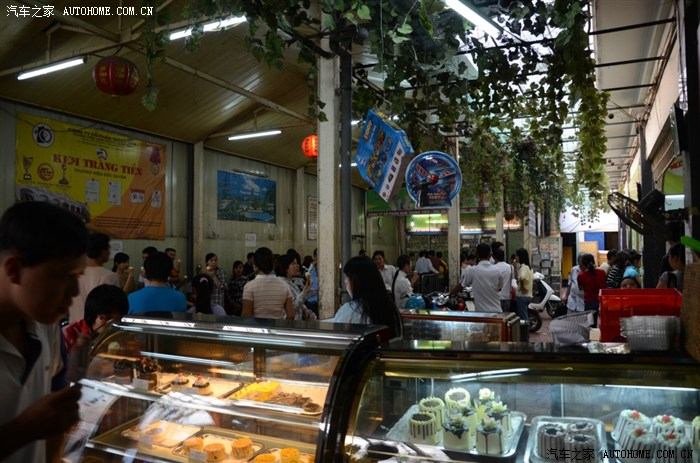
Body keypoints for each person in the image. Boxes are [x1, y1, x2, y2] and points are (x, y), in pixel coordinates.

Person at [0, 201, 87, 463]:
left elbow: (54, 420)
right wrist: (23, 430)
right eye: (63, 276)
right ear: (14, 270)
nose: (74, 291)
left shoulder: (46, 325)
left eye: (78, 276)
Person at [331, 255, 402, 340]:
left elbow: (337, 338)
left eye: (347, 278)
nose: (345, 282)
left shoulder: (350, 310)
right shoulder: (391, 307)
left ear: (356, 281)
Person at [67, 232, 120, 324]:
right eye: (108, 249)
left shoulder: (74, 274)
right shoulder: (109, 276)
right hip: (96, 328)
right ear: (103, 252)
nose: (109, 252)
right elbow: (113, 308)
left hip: (74, 327)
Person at [62, 284, 129, 354]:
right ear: (92, 314)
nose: (113, 324)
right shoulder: (69, 336)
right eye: (108, 318)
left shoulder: (123, 334)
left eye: (118, 319)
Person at [449, 243, 506, 313]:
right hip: (497, 310)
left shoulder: (472, 270)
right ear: (490, 255)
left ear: (477, 255)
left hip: (481, 312)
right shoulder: (497, 270)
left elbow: (461, 286)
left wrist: (450, 293)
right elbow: (500, 288)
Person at [242, 247, 294, 319]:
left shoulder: (249, 286)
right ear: (273, 263)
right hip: (277, 325)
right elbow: (291, 315)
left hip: (257, 325)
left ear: (255, 264)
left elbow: (246, 316)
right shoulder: (284, 286)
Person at [275, 254, 315, 320]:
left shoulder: (291, 284)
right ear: (285, 267)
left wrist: (304, 309)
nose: (298, 266)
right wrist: (305, 290)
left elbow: (298, 299)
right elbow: (292, 306)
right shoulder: (282, 285)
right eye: (293, 264)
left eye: (297, 263)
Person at [515, 248, 534, 321]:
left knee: (523, 317)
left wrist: (522, 288)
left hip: (522, 296)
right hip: (528, 295)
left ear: (520, 256)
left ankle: (526, 328)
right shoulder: (529, 267)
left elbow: (521, 278)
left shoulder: (523, 267)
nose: (516, 257)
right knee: (524, 314)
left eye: (517, 255)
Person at [493, 248, 514, 312]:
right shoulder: (510, 267)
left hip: (496, 297)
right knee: (506, 316)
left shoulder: (493, 268)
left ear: (494, 257)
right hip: (507, 297)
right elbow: (512, 281)